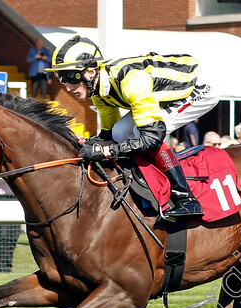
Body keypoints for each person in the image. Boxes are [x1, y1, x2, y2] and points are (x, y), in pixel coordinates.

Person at [46, 35, 219, 219]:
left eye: (68, 76)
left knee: (142, 132)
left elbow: (152, 137)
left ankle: (186, 198)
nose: (66, 86)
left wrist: (106, 151)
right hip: (165, 93)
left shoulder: (131, 81)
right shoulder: (97, 89)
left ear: (89, 72)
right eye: (60, 77)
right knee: (119, 131)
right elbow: (109, 134)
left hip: (197, 88)